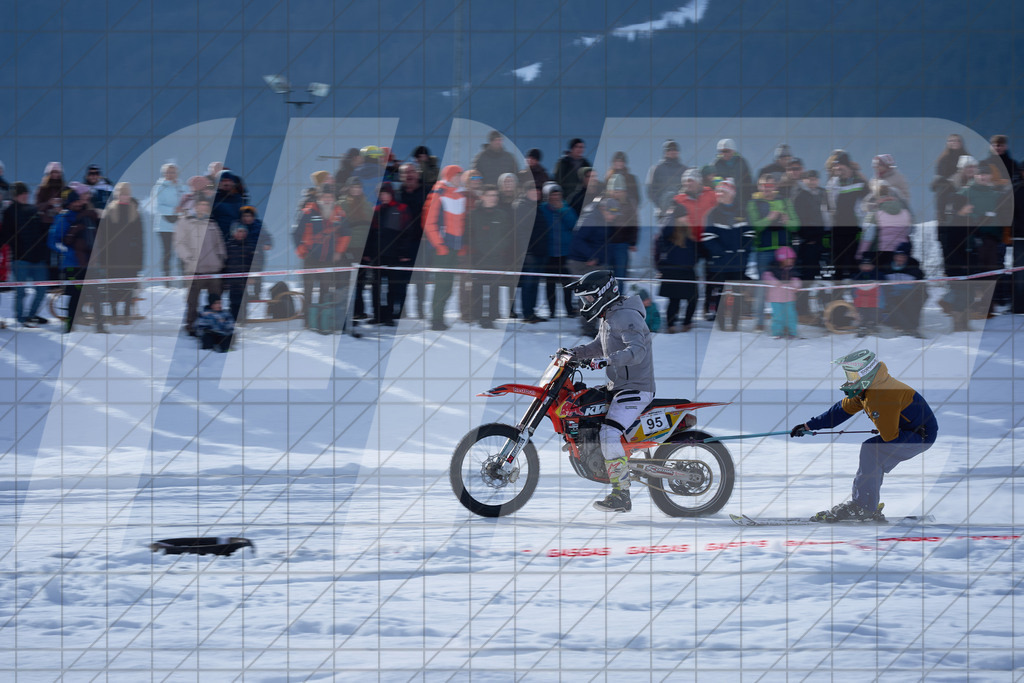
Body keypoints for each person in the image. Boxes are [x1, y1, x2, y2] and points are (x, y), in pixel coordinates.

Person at [790, 349, 938, 522]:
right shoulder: (870, 388)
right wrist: (809, 425)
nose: (849, 379)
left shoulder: (881, 395)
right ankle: (867, 504)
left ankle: (864, 506)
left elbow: (889, 436)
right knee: (872, 452)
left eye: (852, 375)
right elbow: (840, 411)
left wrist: (878, 417)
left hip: (920, 436)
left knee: (872, 451)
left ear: (865, 373)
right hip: (908, 431)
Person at [564, 270, 655, 513]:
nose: (586, 304)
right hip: (619, 388)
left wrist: (607, 361)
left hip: (635, 389)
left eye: (589, 299)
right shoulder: (610, 316)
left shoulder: (625, 316)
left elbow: (637, 351)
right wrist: (574, 354)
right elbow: (598, 346)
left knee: (609, 434)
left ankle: (621, 495)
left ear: (603, 294)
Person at [48, 185, 105, 333]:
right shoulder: (63, 218)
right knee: (75, 296)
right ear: (69, 203)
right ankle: (69, 327)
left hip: (89, 263)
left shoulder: (87, 215)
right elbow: (52, 242)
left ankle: (100, 327)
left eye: (79, 200)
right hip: (72, 265)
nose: (78, 203)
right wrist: (68, 251)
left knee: (96, 294)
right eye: (75, 201)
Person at [423, 165, 467, 331]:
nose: (459, 178)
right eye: (457, 175)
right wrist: (439, 245)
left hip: (454, 248)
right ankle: (436, 319)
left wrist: (461, 245)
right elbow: (429, 223)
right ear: (449, 176)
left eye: (460, 176)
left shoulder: (460, 195)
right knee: (442, 285)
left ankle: (439, 317)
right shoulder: (438, 193)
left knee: (448, 286)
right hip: (442, 248)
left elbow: (461, 223)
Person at [176, 196, 227, 336]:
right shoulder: (184, 222)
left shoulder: (211, 223)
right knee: (192, 301)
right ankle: (191, 325)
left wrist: (221, 258)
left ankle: (214, 324)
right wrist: (189, 258)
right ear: (195, 206)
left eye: (206, 205)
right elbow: (179, 243)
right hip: (195, 270)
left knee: (215, 299)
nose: (203, 207)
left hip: (213, 269)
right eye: (201, 204)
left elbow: (219, 243)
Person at [2, 182, 49, 327]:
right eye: (22, 194)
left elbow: (42, 231)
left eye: (26, 194)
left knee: (42, 289)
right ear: (15, 196)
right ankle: (21, 318)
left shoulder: (33, 209)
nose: (25, 196)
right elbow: (5, 235)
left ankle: (32, 315)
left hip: (38, 258)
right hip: (20, 258)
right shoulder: (9, 212)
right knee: (21, 291)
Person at [97, 182, 144, 322]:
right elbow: (103, 238)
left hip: (131, 258)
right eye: (122, 194)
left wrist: (139, 260)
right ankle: (113, 313)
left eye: (127, 194)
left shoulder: (135, 212)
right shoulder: (110, 212)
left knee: (128, 287)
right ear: (117, 195)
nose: (124, 196)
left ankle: (127, 313)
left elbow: (141, 239)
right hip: (113, 257)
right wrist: (103, 258)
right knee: (113, 287)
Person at [656, 203, 699, 333]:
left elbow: (694, 249)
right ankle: (671, 325)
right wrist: (673, 215)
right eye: (684, 215)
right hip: (672, 270)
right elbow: (664, 230)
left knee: (693, 298)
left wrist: (694, 261)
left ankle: (687, 322)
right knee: (675, 300)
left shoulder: (688, 231)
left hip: (687, 270)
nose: (686, 218)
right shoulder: (669, 231)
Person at [151, 162, 185, 283]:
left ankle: (184, 282)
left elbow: (188, 202)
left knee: (182, 254)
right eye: (168, 172)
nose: (171, 174)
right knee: (167, 254)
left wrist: (183, 209)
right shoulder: (159, 187)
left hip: (180, 226)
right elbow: (157, 207)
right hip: (164, 227)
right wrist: (173, 210)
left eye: (173, 172)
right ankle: (166, 282)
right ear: (164, 173)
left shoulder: (182, 187)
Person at [761, 246, 800, 339]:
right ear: (781, 259)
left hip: (789, 298)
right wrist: (774, 282)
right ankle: (777, 332)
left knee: (791, 315)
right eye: (788, 259)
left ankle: (792, 332)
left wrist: (796, 285)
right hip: (776, 298)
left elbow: (796, 279)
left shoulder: (792, 270)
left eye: (792, 259)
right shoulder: (772, 268)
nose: (790, 261)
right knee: (778, 316)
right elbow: (766, 276)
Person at [646, 139, 686, 221]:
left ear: (678, 152)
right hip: (663, 212)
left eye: (674, 149)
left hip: (682, 211)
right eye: (669, 150)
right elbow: (650, 190)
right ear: (665, 152)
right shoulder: (656, 169)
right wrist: (661, 204)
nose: (672, 151)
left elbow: (689, 188)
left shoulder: (684, 170)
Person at [554, 138, 591, 203]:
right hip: (566, 197)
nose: (580, 149)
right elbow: (557, 180)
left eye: (582, 147)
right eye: (577, 147)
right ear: (572, 148)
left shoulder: (586, 163)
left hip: (582, 198)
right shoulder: (563, 162)